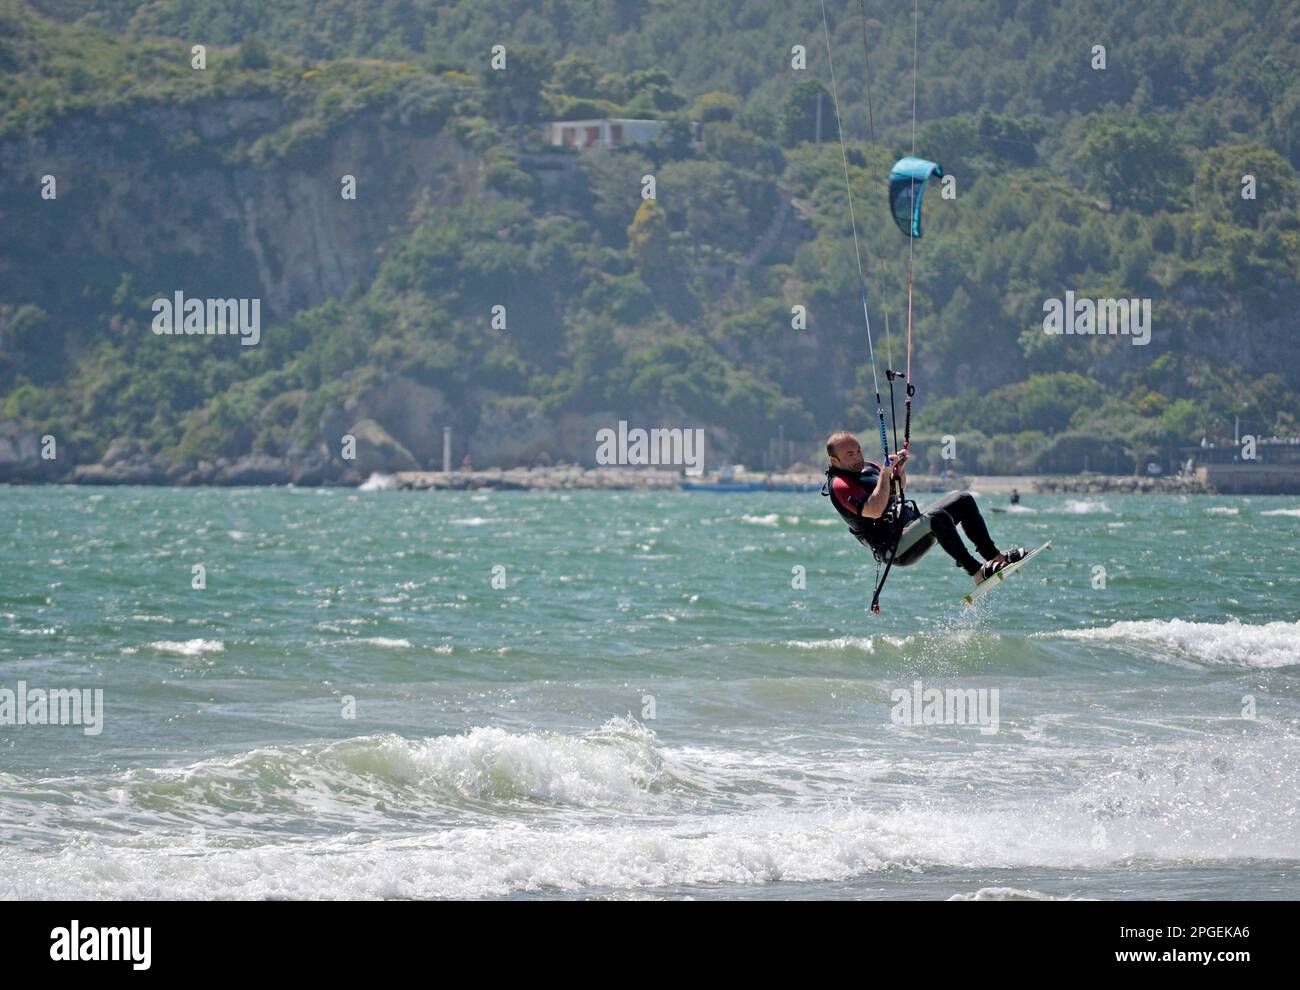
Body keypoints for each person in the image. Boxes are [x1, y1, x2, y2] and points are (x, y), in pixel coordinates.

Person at [822, 431, 1025, 585]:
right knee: (936, 517)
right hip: (895, 549)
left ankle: (996, 557)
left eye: (858, 451)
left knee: (963, 499)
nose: (858, 457)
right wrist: (885, 473)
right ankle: (977, 572)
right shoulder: (840, 485)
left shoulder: (870, 467)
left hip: (909, 526)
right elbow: (874, 510)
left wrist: (898, 471)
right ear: (834, 460)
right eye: (850, 454)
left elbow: (897, 488)